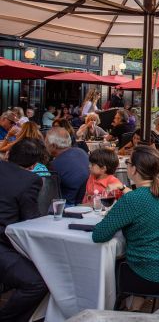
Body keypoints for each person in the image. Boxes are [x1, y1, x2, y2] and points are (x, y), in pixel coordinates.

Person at [92, 146, 159, 311]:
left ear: (134, 170)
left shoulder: (132, 200)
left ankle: (114, 309)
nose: (127, 164)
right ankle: (134, 306)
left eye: (128, 162)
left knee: (113, 265)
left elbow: (99, 235)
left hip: (152, 277)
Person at [0, 158, 48, 322]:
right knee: (37, 282)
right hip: (4, 244)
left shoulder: (13, 176)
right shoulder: (25, 179)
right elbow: (31, 221)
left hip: (7, 241)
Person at [46, 127, 89, 205]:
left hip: (68, 206)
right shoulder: (81, 152)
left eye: (46, 142)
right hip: (85, 201)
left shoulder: (54, 165)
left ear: (53, 146)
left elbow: (49, 191)